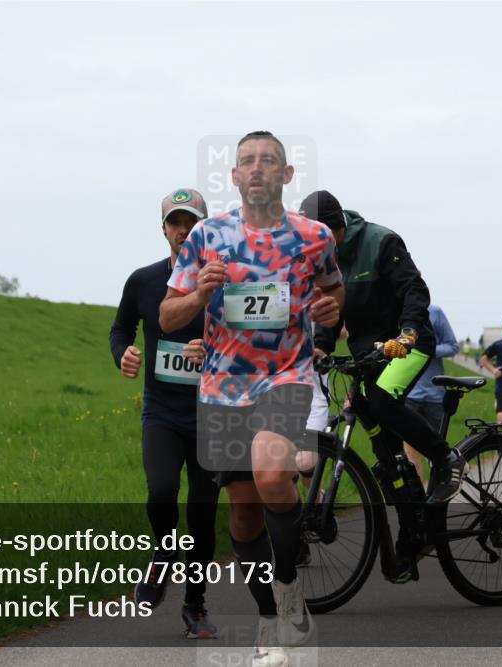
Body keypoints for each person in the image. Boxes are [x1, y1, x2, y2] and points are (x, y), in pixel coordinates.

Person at [160, 132, 344, 667]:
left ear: (287, 174)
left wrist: (330, 309)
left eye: (268, 160)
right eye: (247, 161)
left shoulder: (314, 237)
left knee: (270, 472)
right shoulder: (207, 236)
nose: (257, 168)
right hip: (223, 388)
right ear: (235, 176)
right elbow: (167, 318)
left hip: (287, 376)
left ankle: (288, 585)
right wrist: (200, 294)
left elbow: (333, 290)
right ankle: (270, 615)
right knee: (243, 516)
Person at [302, 190, 469, 586]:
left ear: (337, 228)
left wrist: (408, 331)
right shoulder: (322, 259)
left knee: (381, 401)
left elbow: (414, 290)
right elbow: (329, 311)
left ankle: (446, 458)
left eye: (319, 237)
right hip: (368, 352)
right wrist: (321, 347)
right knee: (385, 453)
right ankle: (413, 532)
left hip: (407, 343)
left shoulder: (381, 241)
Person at [109, 188, 220, 639]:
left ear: (206, 229)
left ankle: (195, 605)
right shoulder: (143, 281)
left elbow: (248, 343)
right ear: (164, 230)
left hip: (213, 414)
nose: (183, 230)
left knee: (202, 514)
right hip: (162, 413)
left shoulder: (224, 281)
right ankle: (164, 551)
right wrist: (123, 354)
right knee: (161, 492)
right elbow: (120, 329)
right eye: (176, 222)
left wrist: (212, 351)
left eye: (192, 222)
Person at [402, 304, 460, 486]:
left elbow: (453, 346)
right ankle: (420, 496)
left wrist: (428, 350)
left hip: (434, 395)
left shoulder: (434, 312)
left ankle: (438, 491)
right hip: (408, 393)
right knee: (410, 450)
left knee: (436, 451)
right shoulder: (394, 311)